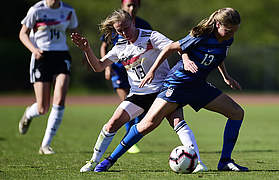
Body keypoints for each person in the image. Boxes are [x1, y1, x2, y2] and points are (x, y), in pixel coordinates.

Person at [95, 7, 249, 172]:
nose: (231, 34)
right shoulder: (200, 35)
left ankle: (225, 161)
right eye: (228, 30)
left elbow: (217, 56)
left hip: (198, 86)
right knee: (147, 124)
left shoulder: (227, 39)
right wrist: (153, 70)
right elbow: (170, 48)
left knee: (237, 113)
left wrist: (226, 76)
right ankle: (110, 160)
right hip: (177, 84)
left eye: (234, 31)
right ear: (218, 24)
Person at [71, 9, 207, 173]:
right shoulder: (119, 47)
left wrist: (185, 59)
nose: (123, 33)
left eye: (126, 28)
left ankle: (198, 163)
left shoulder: (151, 36)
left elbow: (177, 46)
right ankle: (93, 161)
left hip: (163, 91)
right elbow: (99, 66)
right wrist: (87, 50)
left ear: (132, 22)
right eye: (119, 30)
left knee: (178, 122)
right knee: (112, 124)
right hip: (137, 95)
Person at [18, 0, 78, 155]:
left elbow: (74, 32)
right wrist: (34, 50)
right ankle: (29, 113)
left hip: (61, 56)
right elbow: (22, 34)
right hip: (41, 57)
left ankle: (45, 145)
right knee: (42, 108)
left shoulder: (68, 10)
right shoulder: (36, 10)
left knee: (59, 99)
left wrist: (84, 51)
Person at [100, 0, 152, 154]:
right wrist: (107, 67)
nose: (131, 8)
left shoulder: (144, 24)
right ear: (122, 6)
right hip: (120, 69)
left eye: (134, 5)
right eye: (128, 5)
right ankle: (130, 137)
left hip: (140, 69)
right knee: (127, 103)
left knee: (139, 105)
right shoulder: (116, 23)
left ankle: (133, 134)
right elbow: (104, 45)